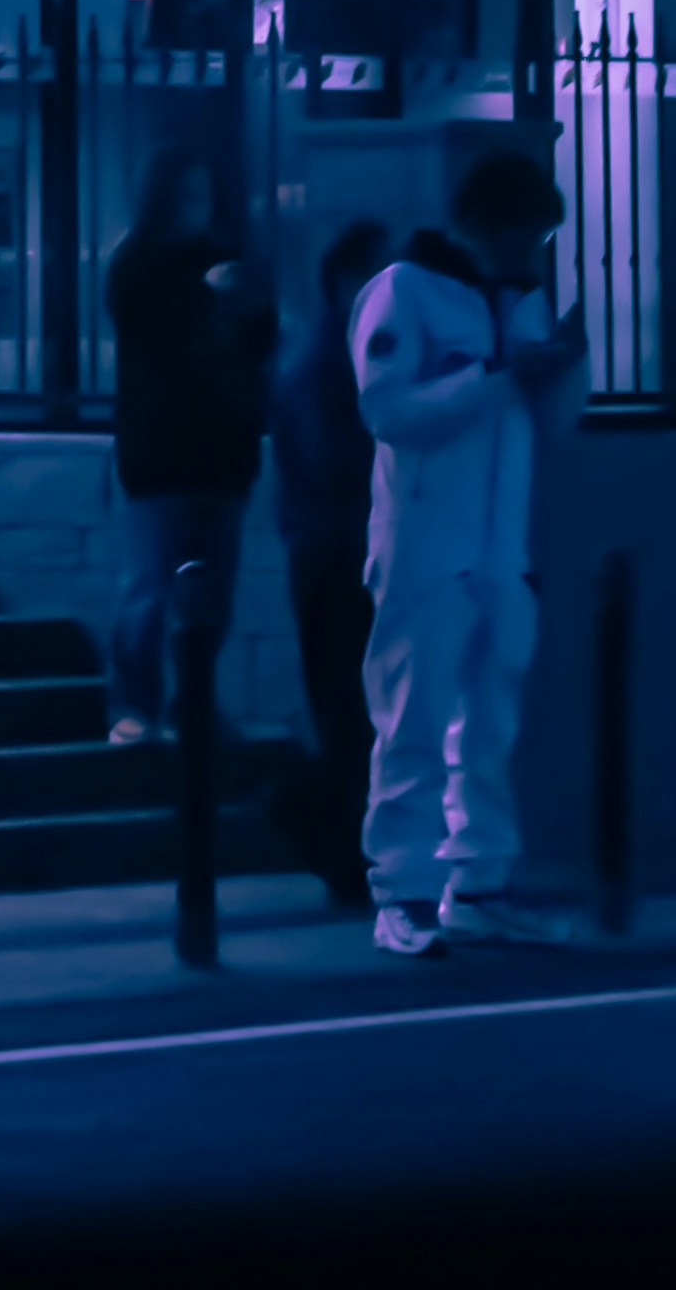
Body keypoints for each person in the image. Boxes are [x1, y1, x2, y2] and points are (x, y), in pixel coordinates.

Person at [349, 149, 585, 958]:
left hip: (498, 544)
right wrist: (494, 379)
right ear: (487, 226)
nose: (536, 253)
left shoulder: (520, 302)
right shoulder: (404, 292)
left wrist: (560, 372)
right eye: (528, 235)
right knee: (413, 719)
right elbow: (385, 410)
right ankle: (402, 893)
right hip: (424, 545)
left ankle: (479, 884)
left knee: (490, 721)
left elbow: (545, 425)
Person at [101, 152, 270, 747]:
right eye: (187, 195)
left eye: (204, 193)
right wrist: (212, 301)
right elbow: (157, 337)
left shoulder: (222, 259)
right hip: (160, 455)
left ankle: (191, 705)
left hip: (222, 454)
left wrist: (240, 302)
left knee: (211, 595)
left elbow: (260, 341)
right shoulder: (136, 265)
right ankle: (133, 703)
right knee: (149, 587)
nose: (197, 207)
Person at [266, 217, 392, 908]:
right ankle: (331, 838)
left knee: (354, 709)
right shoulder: (325, 367)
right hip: (336, 555)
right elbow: (335, 469)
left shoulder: (337, 359)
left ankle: (342, 844)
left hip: (340, 552)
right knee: (349, 708)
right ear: (347, 283)